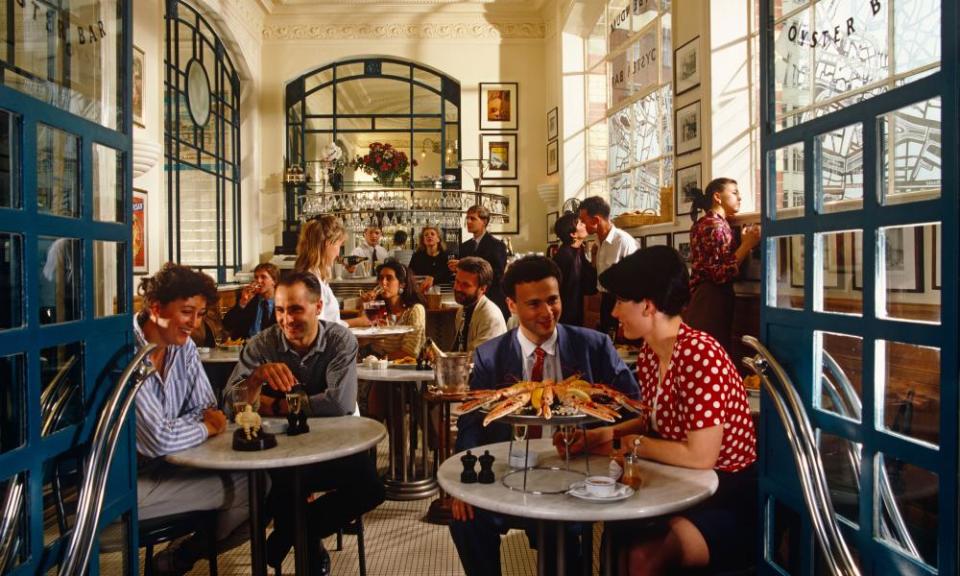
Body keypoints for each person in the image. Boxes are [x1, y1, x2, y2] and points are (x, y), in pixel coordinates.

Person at [568, 246, 757, 575]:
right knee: (614, 539)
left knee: (642, 558)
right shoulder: (651, 354)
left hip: (725, 494)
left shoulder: (700, 354)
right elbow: (656, 420)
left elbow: (701, 456)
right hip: (678, 484)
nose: (613, 312)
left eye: (620, 301)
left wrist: (630, 445)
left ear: (648, 305)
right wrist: (606, 433)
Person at [449, 256, 639, 576]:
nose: (546, 312)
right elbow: (471, 425)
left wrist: (598, 437)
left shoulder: (594, 346)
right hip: (505, 473)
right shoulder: (489, 356)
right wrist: (460, 487)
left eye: (553, 300)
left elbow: (634, 405)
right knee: (465, 521)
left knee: (563, 540)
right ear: (511, 304)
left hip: (574, 474)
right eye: (534, 304)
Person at [225, 272, 385, 574]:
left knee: (371, 487)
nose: (286, 319)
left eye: (296, 309)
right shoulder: (262, 344)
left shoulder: (340, 340)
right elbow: (231, 403)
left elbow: (339, 403)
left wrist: (276, 405)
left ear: (318, 307)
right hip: (279, 451)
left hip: (332, 446)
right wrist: (257, 379)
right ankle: (309, 549)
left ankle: (291, 536)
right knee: (280, 489)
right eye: (280, 310)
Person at [134, 263, 248, 575]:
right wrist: (203, 427)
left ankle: (177, 558)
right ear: (156, 308)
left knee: (261, 483)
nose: (194, 324)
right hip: (121, 489)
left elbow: (208, 409)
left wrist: (185, 426)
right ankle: (177, 559)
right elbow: (159, 439)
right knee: (254, 492)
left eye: (199, 314)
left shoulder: (182, 349)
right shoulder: (125, 352)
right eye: (187, 312)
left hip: (167, 468)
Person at [684, 178, 761, 353]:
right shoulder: (715, 225)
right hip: (711, 299)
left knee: (703, 354)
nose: (739, 198)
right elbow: (720, 274)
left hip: (704, 297)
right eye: (734, 193)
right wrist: (747, 245)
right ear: (717, 197)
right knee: (710, 355)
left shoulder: (705, 223)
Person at [579, 196, 638, 337]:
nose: (581, 224)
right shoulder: (597, 242)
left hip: (623, 303)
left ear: (596, 220)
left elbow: (635, 282)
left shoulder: (624, 241)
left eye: (583, 220)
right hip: (605, 301)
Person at [294, 215, 367, 328]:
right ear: (328, 243)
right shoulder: (311, 281)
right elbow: (319, 328)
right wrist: (358, 322)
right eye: (339, 246)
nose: (338, 254)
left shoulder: (315, 275)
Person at [448, 205, 509, 319]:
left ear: (484, 221)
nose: (469, 221)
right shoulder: (464, 246)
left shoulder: (497, 245)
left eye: (473, 218)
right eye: (467, 218)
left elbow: (498, 274)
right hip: (470, 301)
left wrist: (468, 266)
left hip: (492, 301)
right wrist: (457, 269)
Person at [358, 259, 427, 359]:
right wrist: (364, 306)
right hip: (373, 364)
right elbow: (361, 341)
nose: (383, 283)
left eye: (389, 278)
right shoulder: (377, 307)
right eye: (381, 278)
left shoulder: (415, 310)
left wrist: (380, 360)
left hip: (400, 368)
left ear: (402, 284)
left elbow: (411, 352)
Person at [451, 257, 506, 354]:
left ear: (483, 288)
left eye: (466, 285)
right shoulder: (462, 311)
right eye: (457, 281)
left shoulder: (490, 317)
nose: (458, 288)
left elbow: (479, 360)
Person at [552, 212, 597, 326]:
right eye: (580, 223)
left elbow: (590, 284)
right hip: (567, 317)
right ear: (573, 234)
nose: (584, 224)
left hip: (575, 313)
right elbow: (569, 293)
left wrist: (594, 256)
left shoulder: (578, 250)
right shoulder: (566, 256)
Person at [222, 262, 279, 339]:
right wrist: (242, 303)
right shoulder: (249, 300)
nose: (258, 281)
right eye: (256, 277)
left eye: (263, 277)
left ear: (274, 281)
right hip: (247, 345)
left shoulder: (281, 302)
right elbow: (227, 324)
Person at [409, 225, 452, 291]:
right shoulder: (417, 256)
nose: (429, 236)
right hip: (422, 291)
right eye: (426, 235)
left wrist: (434, 278)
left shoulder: (446, 256)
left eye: (432, 234)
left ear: (438, 239)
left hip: (443, 291)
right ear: (423, 240)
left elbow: (448, 273)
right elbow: (410, 273)